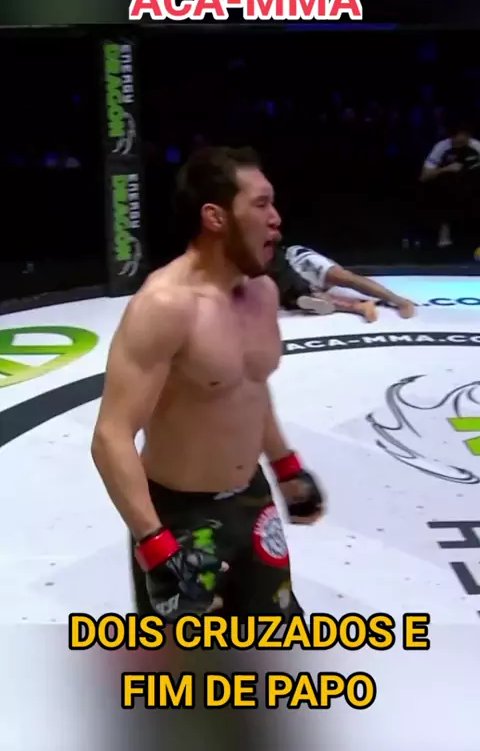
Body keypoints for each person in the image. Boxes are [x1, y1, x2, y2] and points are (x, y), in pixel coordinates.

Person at [91, 146, 324, 624]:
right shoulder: (165, 306)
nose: (276, 218)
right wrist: (155, 545)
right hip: (178, 517)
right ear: (215, 217)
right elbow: (111, 436)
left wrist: (285, 465)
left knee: (276, 643)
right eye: (261, 204)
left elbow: (249, 388)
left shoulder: (262, 292)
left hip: (251, 499)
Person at [270, 244, 415, 322]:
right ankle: (359, 307)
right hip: (282, 281)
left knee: (343, 277)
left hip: (291, 261)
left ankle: (400, 301)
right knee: (303, 299)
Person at [419, 121, 480, 253]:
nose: (457, 140)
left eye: (462, 136)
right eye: (454, 137)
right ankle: (444, 234)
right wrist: (446, 169)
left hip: (472, 187)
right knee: (446, 186)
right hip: (448, 189)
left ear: (467, 135)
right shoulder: (441, 147)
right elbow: (424, 176)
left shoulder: (476, 147)